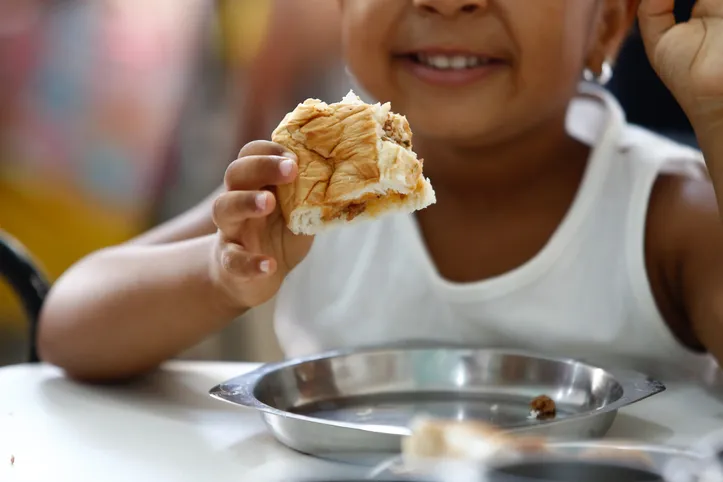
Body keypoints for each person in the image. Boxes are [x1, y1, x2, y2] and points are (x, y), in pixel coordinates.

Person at [37, 0, 723, 384]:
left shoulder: (666, 211)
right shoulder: (314, 181)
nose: (447, 1)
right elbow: (68, 325)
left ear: (603, 23)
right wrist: (218, 274)